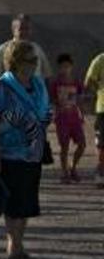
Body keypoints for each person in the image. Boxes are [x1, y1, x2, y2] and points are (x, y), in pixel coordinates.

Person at [0, 40, 50, 259]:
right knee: (12, 203)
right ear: (16, 63)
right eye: (29, 61)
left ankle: (19, 243)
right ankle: (14, 244)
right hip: (7, 154)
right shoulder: (0, 87)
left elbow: (45, 112)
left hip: (32, 152)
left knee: (27, 201)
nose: (33, 65)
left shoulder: (38, 85)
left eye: (35, 60)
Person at [49, 54, 86, 184]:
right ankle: (65, 173)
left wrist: (82, 113)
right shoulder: (56, 83)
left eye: (67, 66)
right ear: (59, 68)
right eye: (62, 67)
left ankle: (73, 167)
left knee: (82, 144)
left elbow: (80, 99)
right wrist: (55, 112)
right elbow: (52, 100)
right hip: (62, 119)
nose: (65, 69)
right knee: (64, 147)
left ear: (71, 67)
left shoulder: (76, 82)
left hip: (75, 118)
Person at [0, 14, 52, 84]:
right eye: (21, 29)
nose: (24, 32)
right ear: (13, 30)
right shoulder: (3, 49)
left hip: (33, 92)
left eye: (27, 29)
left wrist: (47, 94)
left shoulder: (37, 49)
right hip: (11, 91)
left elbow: (47, 76)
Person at [84, 51, 104, 188]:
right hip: (103, 107)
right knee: (102, 143)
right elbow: (89, 81)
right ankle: (101, 171)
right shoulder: (100, 60)